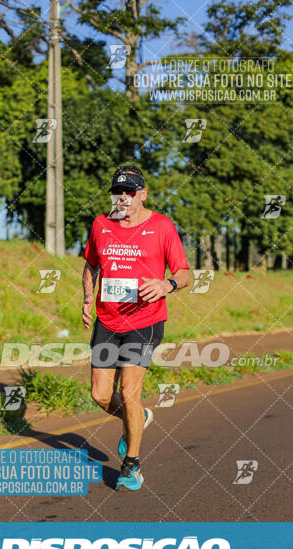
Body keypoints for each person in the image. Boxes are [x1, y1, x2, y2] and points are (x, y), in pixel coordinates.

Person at [82, 164, 190, 491]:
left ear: (142, 194)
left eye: (131, 192)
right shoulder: (101, 224)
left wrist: (167, 284)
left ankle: (132, 464)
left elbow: (185, 273)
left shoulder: (162, 226)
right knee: (100, 395)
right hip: (108, 320)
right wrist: (88, 297)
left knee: (129, 392)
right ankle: (138, 418)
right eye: (119, 192)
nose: (124, 198)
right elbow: (91, 264)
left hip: (145, 320)